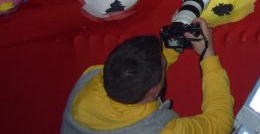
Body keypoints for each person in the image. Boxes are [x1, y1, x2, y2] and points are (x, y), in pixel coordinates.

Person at [61, 18, 233, 133]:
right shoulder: (160, 129)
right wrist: (208, 54)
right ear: (154, 91)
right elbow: (220, 123)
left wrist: (172, 45)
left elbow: (137, 69)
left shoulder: (91, 76)